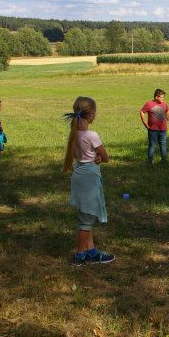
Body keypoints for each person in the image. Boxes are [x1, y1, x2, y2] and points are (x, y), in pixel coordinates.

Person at [64, 96, 114, 266]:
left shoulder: (74, 134)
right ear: (91, 114)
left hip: (79, 175)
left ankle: (91, 251)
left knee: (87, 214)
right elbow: (106, 157)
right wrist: (100, 157)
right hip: (89, 179)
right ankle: (80, 256)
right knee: (85, 221)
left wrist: (96, 157)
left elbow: (85, 155)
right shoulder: (92, 135)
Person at [140, 89, 169, 164]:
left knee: (163, 144)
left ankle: (164, 161)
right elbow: (142, 112)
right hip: (152, 129)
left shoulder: (164, 104)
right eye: (161, 97)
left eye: (163, 97)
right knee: (152, 145)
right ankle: (150, 161)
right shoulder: (149, 104)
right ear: (156, 97)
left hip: (163, 129)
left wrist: (167, 118)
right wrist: (145, 123)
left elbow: (167, 110)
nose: (163, 99)